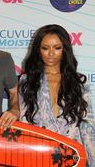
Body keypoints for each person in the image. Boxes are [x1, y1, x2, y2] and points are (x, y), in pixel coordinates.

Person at [18, 24, 95, 166]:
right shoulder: (27, 81)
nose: (51, 53)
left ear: (65, 50)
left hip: (73, 157)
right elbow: (24, 122)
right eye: (45, 48)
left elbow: (87, 126)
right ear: (38, 50)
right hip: (39, 156)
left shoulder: (78, 83)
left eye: (57, 48)